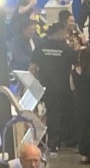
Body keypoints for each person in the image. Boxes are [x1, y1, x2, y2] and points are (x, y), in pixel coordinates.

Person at [31, 22, 75, 152]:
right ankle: (58, 141)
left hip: (45, 86)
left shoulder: (40, 47)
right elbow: (77, 65)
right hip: (63, 86)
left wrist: (31, 87)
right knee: (61, 114)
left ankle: (51, 142)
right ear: (59, 32)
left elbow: (32, 68)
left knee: (51, 113)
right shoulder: (66, 49)